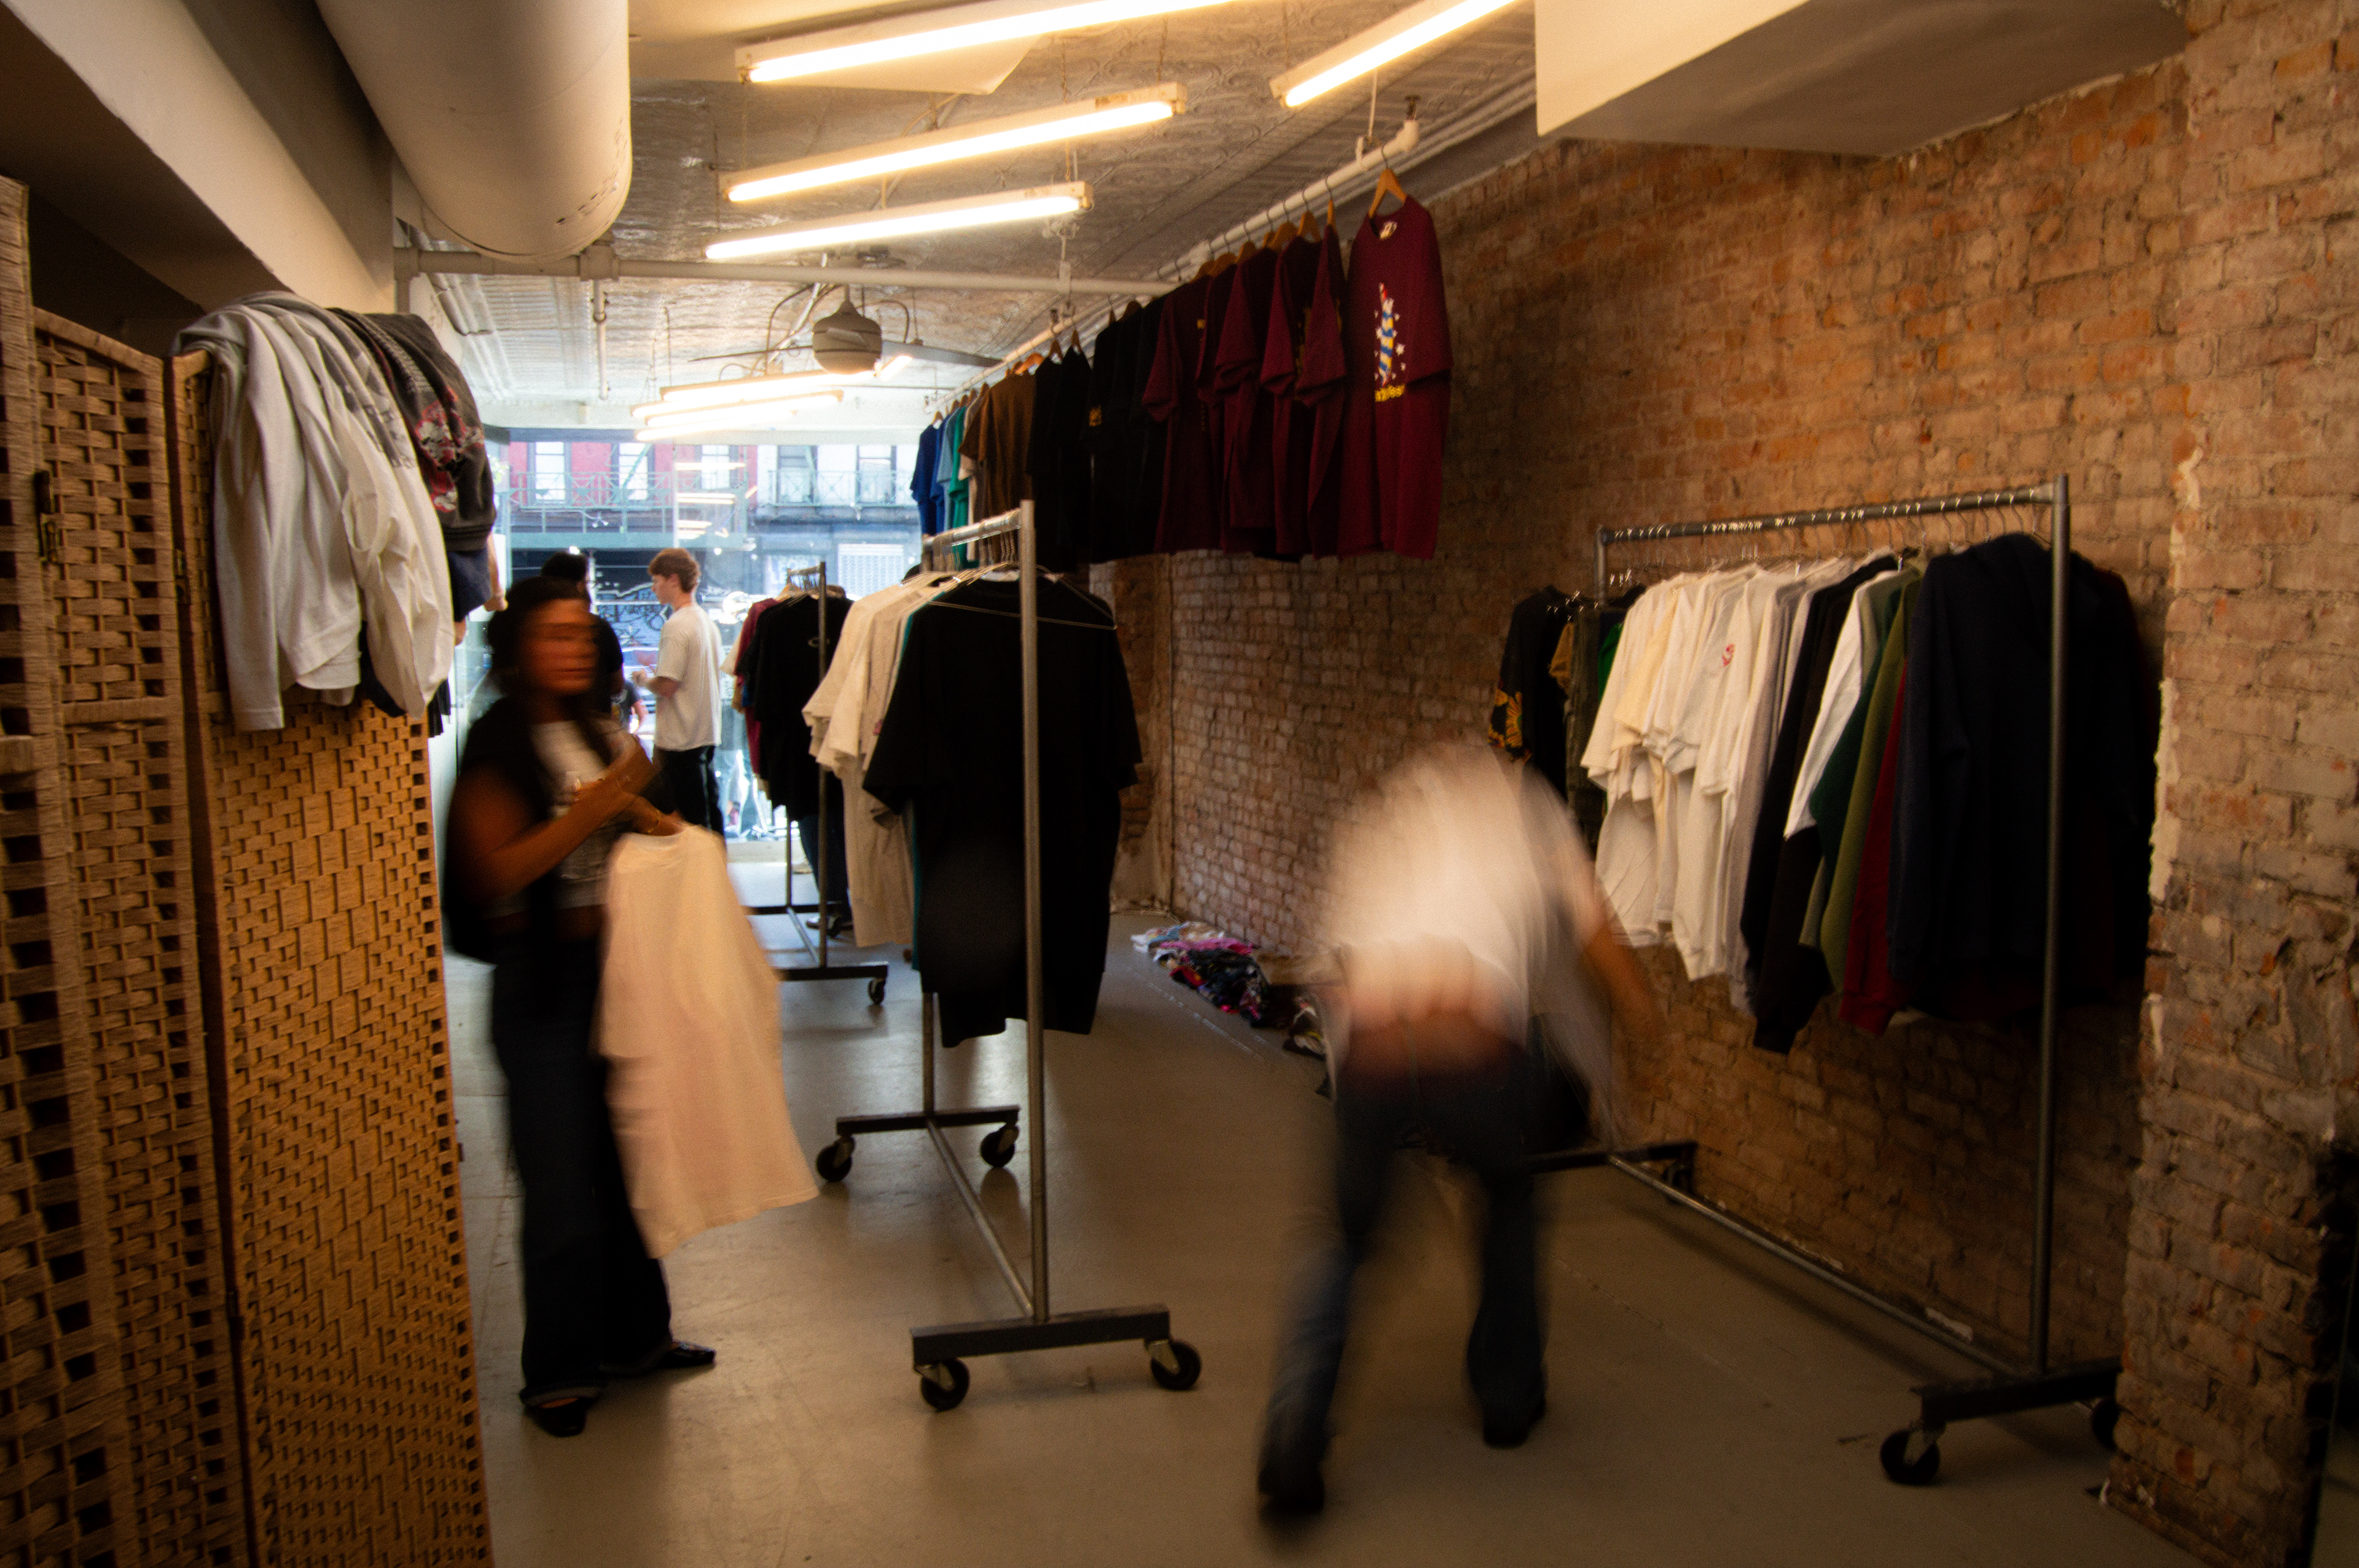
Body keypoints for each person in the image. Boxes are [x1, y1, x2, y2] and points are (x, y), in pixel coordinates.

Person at [1258, 746, 1663, 1514]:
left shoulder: (1393, 809)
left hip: (1372, 1040)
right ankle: (1508, 1398)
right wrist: (1640, 1023)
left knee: (1345, 1238)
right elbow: (1594, 934)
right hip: (1468, 1040)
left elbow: (1336, 958)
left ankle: (1293, 1436)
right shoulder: (1529, 804)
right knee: (1508, 1191)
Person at [446, 577, 715, 1438]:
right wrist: (595, 806)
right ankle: (558, 1370)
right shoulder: (499, 740)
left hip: (617, 975)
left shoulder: (601, 728)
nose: (571, 648)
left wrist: (633, 802)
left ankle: (637, 1338)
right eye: (552, 635)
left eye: (581, 634)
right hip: (544, 988)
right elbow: (494, 873)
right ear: (518, 649)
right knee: (561, 1177)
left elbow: (654, 829)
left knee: (631, 1164)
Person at [634, 547, 723, 830]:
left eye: (656, 580)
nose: (653, 588)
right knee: (709, 815)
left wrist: (643, 680)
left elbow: (668, 685)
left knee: (686, 824)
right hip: (705, 734)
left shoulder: (676, 626)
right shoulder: (705, 622)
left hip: (679, 739)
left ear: (673, 579)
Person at [536, 550, 641, 725]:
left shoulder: (532, 630)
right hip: (593, 725)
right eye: (587, 583)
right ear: (579, 587)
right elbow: (617, 685)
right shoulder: (598, 629)